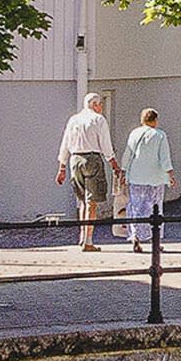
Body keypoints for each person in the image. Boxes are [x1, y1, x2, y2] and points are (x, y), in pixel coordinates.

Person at [57, 92, 121, 250]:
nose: (101, 108)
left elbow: (65, 143)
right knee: (91, 202)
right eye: (100, 105)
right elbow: (105, 144)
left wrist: (62, 167)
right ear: (95, 105)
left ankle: (82, 235)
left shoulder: (74, 120)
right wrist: (113, 163)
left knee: (82, 201)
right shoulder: (98, 119)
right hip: (92, 159)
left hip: (75, 159)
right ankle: (88, 241)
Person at [120, 108, 174, 253]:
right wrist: (170, 173)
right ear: (155, 120)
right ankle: (154, 240)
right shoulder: (160, 135)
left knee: (136, 207)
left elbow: (128, 154)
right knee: (155, 208)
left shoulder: (134, 134)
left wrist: (123, 171)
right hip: (155, 178)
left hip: (136, 176)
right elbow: (164, 157)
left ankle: (135, 237)